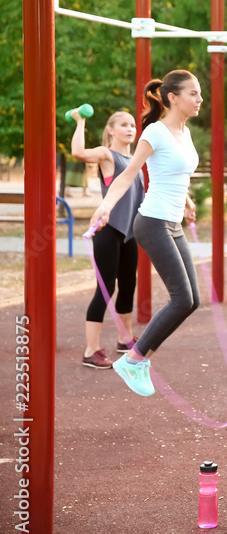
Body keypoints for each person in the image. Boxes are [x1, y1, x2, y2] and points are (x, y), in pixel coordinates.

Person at [89, 70, 201, 397]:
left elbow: (175, 174)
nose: (199, 99)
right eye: (193, 93)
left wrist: (187, 201)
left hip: (173, 222)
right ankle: (134, 359)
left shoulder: (185, 133)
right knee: (181, 298)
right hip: (151, 221)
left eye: (199, 93)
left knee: (191, 300)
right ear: (172, 98)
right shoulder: (155, 131)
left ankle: (138, 358)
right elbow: (127, 176)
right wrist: (106, 206)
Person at [71, 109, 144, 369]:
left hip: (129, 233)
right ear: (111, 130)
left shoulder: (136, 159)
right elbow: (78, 153)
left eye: (133, 125)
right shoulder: (107, 155)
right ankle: (91, 350)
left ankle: (125, 340)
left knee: (127, 286)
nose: (130, 129)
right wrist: (80, 121)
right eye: (124, 125)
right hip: (108, 230)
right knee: (105, 289)